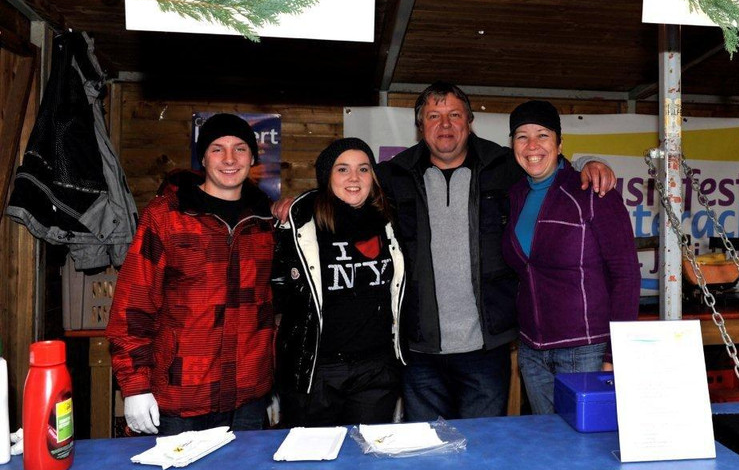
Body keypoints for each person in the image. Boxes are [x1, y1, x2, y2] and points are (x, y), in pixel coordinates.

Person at [374, 82, 616, 421]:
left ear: (469, 121)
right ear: (420, 125)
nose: (445, 125)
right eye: (434, 116)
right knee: (427, 446)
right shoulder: (393, 175)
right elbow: (347, 188)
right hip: (418, 349)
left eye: (454, 115)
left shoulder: (504, 166)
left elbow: (551, 165)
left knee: (486, 445)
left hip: (487, 349)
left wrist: (591, 162)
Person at [107, 113, 276, 435]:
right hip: (181, 397)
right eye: (217, 149)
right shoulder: (166, 217)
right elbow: (132, 307)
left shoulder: (265, 221)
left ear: (253, 158)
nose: (230, 159)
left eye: (240, 149)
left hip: (248, 397)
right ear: (203, 158)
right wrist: (135, 385)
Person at [501, 100, 640, 414]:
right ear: (513, 146)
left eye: (543, 135)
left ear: (560, 143)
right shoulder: (515, 194)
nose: (532, 145)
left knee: (589, 441)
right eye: (522, 136)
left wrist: (614, 356)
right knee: (548, 441)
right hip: (532, 352)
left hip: (587, 351)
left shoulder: (592, 191)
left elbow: (626, 276)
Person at [272, 138, 405, 426]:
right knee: (314, 453)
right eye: (342, 169)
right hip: (318, 371)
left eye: (363, 169)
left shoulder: (391, 221)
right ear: (326, 176)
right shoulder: (301, 223)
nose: (354, 178)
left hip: (376, 370)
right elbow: (276, 287)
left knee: (367, 452)